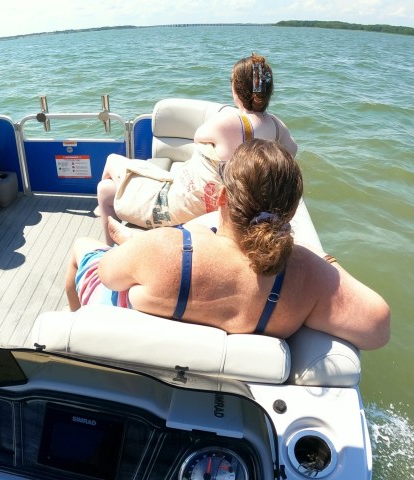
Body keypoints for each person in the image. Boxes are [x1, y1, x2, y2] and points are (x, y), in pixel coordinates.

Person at [66, 139, 390, 350]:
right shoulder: (307, 277)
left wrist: (139, 250)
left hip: (144, 317)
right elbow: (378, 327)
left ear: (220, 197)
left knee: (82, 247)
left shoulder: (165, 248)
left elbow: (108, 275)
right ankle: (130, 242)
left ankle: (73, 326)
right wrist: (320, 259)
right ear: (291, 211)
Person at [97, 53, 298, 245]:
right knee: (107, 190)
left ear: (236, 90)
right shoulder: (277, 127)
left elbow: (199, 136)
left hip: (184, 206)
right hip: (227, 208)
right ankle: (107, 209)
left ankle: (106, 242)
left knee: (111, 163)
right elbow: (292, 150)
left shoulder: (228, 122)